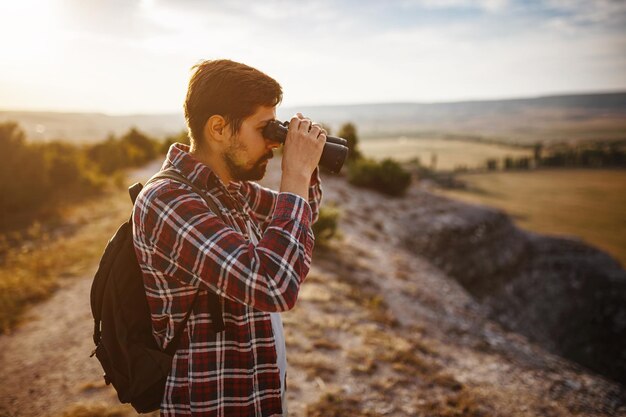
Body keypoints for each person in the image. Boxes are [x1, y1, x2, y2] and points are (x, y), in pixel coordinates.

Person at [132, 59, 325, 416]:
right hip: (212, 405)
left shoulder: (230, 190)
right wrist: (294, 173)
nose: (271, 142)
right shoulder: (169, 202)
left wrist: (307, 166)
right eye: (264, 129)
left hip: (254, 397)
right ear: (218, 128)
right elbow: (274, 284)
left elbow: (300, 219)